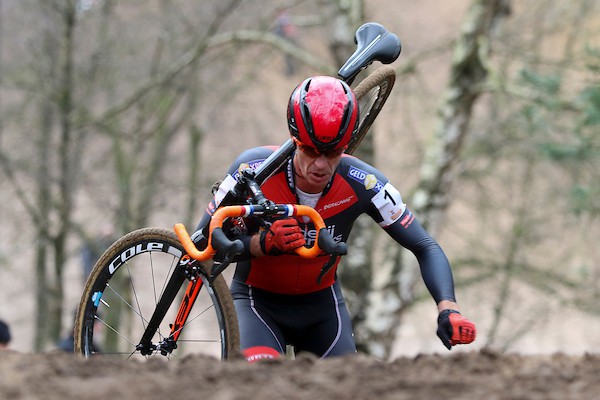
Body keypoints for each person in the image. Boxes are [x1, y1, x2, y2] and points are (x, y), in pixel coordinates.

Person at [196, 76, 476, 362]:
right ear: (295, 141)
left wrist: (447, 308)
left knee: (345, 388)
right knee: (264, 385)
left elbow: (425, 246)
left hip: (323, 310)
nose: (321, 164)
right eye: (310, 150)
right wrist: (259, 244)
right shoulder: (253, 170)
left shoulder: (364, 183)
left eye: (332, 153)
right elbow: (202, 246)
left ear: (347, 145)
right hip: (257, 304)